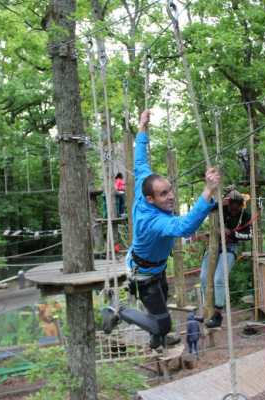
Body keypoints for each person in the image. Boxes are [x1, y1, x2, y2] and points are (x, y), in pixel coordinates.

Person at [102, 110, 220, 349]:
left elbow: (140, 161)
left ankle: (155, 340)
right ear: (150, 198)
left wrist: (142, 128)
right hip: (144, 275)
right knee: (163, 325)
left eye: (169, 190)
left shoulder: (146, 186)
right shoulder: (153, 222)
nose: (171, 197)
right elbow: (185, 226)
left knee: (161, 307)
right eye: (164, 194)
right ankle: (118, 311)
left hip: (154, 267)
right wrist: (207, 191)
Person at [200, 187, 253, 328]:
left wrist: (231, 233)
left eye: (237, 206)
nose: (233, 209)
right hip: (213, 246)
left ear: (241, 205)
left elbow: (249, 235)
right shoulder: (220, 209)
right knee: (204, 278)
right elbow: (205, 208)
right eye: (231, 206)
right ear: (228, 203)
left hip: (230, 247)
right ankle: (207, 308)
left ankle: (218, 313)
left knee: (219, 278)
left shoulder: (245, 216)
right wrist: (219, 204)